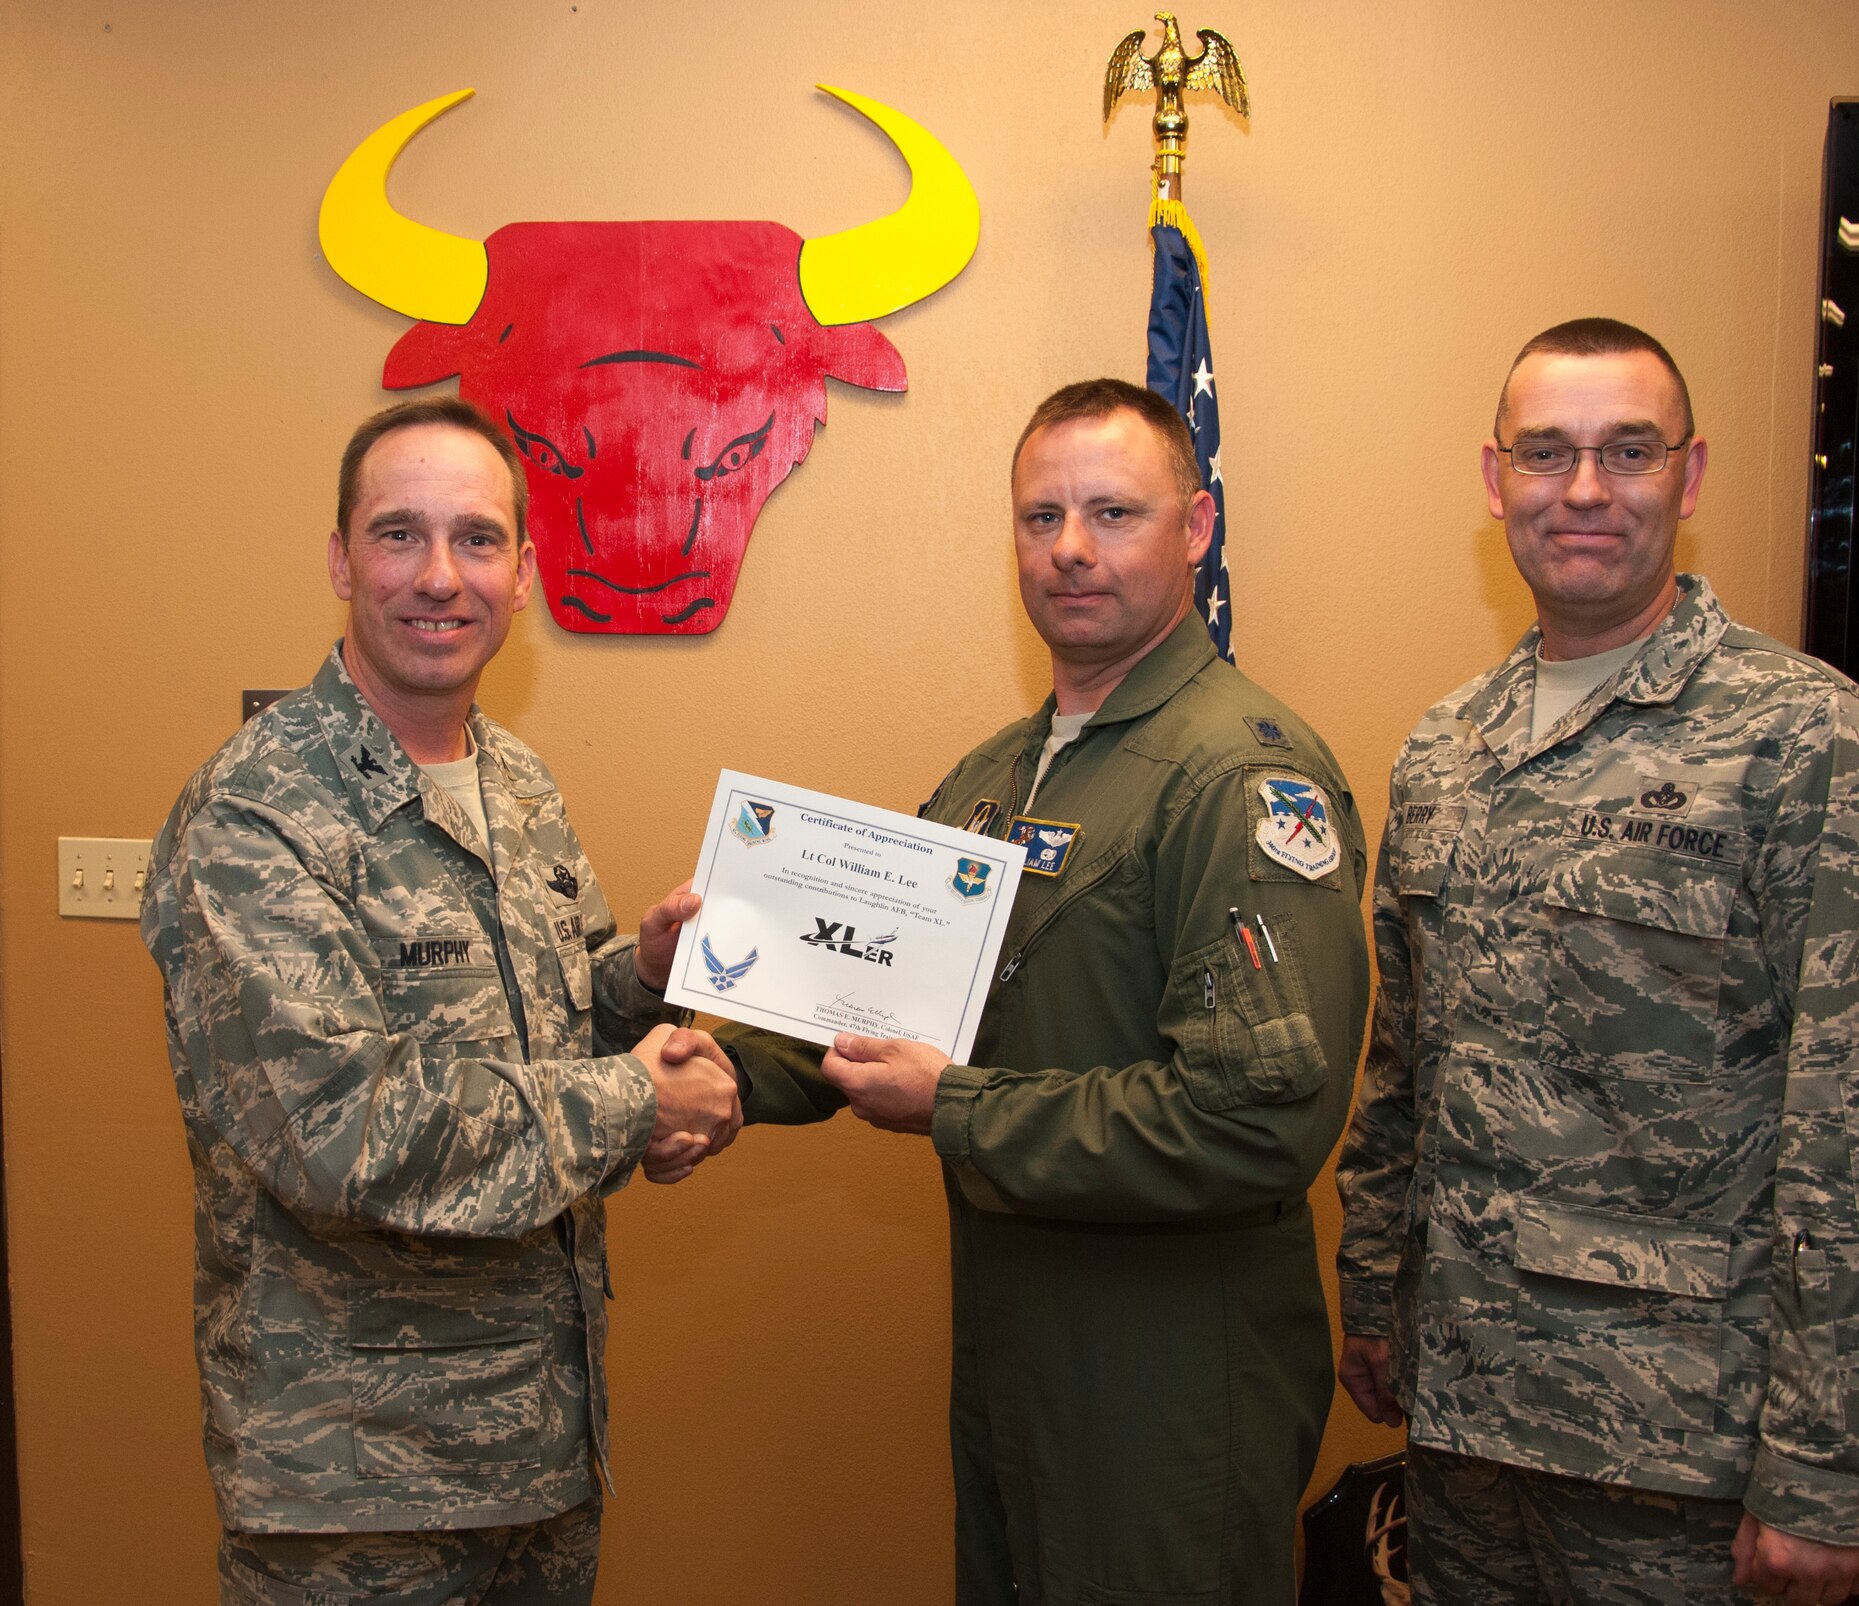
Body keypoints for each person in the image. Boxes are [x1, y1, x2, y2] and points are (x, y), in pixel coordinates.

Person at [660, 377, 1370, 1605]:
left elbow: (1253, 1124)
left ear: (1195, 528)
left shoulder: (1237, 779)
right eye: (1040, 518)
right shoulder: (1001, 774)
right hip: (1013, 1352)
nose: (1071, 551)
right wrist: (719, 1068)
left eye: (1112, 513)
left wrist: (961, 1110)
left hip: (1167, 1375)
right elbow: (870, 992)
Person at [1335, 318, 1859, 1606]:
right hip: (1467, 1432)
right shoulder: (1445, 751)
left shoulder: (1803, 739)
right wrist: (1372, 1290)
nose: (1584, 490)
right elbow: (1404, 1065)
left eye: (1626, 451)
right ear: (1493, 479)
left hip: (1685, 1456)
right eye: (1547, 453)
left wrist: (1829, 1469)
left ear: (1687, 477)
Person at [142, 396, 741, 1604]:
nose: (437, 576)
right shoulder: (256, 814)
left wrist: (640, 982)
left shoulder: (514, 780)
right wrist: (635, 1102)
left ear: (523, 573)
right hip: (354, 1483)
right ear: (339, 559)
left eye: (475, 539)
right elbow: (339, 1127)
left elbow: (546, 1023)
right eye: (397, 534)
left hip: (540, 1445)